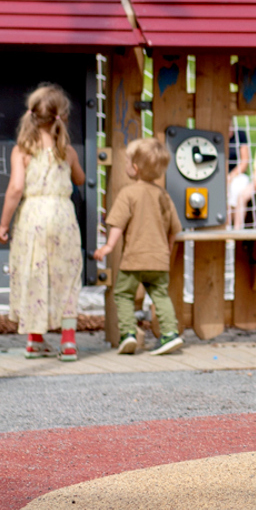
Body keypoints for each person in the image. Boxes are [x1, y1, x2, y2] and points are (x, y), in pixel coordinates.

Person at [0, 84, 87, 361]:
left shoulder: (22, 151)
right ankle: (69, 342)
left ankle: (35, 340)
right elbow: (80, 180)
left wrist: (3, 225)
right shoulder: (67, 152)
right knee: (66, 274)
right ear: (62, 117)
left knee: (33, 272)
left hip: (33, 216)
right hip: (62, 215)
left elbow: (15, 189)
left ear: (32, 116)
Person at [92, 137, 184, 356]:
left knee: (124, 294)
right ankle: (170, 333)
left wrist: (108, 246)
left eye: (126, 162)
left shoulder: (128, 193)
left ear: (134, 168)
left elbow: (117, 224)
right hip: (159, 259)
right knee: (160, 295)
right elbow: (174, 230)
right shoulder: (164, 195)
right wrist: (167, 250)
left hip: (134, 258)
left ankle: (128, 334)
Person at [226, 119, 251, 224]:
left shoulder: (240, 134)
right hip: (222, 175)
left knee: (236, 191)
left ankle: (236, 230)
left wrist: (231, 176)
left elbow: (244, 162)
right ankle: (226, 228)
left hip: (238, 174)